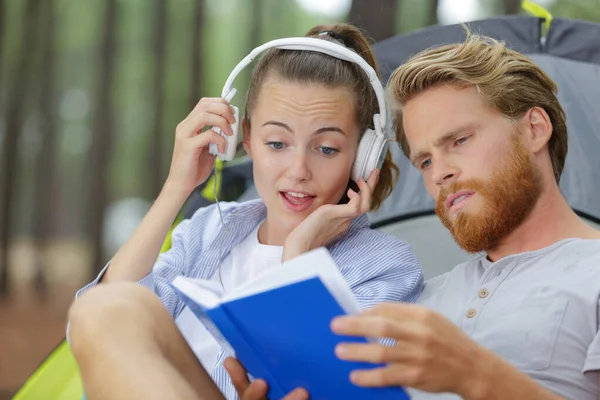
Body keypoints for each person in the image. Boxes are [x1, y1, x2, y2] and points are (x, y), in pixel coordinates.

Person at [228, 29, 600, 400]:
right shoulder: (419, 300)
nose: (439, 174)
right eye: (424, 161)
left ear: (534, 128)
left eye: (459, 141)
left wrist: (476, 375)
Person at [67, 23, 424, 400]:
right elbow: (95, 335)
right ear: (247, 140)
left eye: (327, 149)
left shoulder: (385, 267)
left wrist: (298, 256)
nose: (298, 170)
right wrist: (177, 186)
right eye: (277, 143)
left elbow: (334, 389)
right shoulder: (208, 232)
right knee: (105, 309)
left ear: (363, 157)